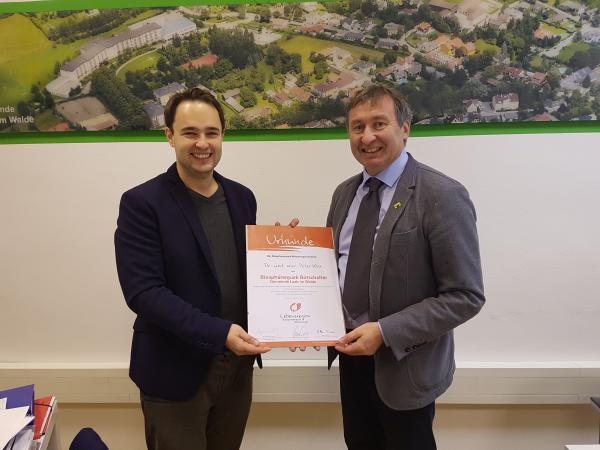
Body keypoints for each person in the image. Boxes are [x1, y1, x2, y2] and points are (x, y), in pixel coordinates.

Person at [327, 84, 485, 450]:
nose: (367, 137)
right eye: (357, 127)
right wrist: (294, 251)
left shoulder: (442, 195)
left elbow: (465, 295)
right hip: (351, 362)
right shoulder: (344, 194)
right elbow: (331, 269)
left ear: (405, 128)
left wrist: (384, 331)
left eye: (379, 123)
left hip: (406, 368)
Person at [114, 87, 269, 450]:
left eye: (211, 133)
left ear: (223, 136)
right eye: (190, 133)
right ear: (169, 136)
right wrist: (220, 332)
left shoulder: (243, 197)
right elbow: (144, 293)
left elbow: (248, 275)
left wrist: (286, 251)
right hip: (174, 375)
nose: (203, 143)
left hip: (236, 371)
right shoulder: (142, 203)